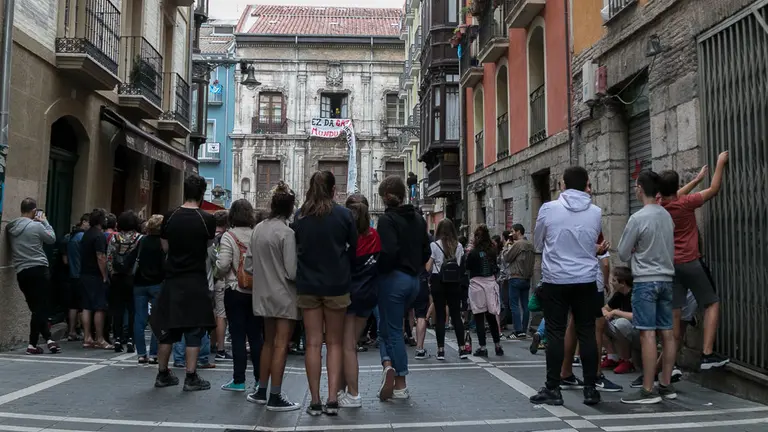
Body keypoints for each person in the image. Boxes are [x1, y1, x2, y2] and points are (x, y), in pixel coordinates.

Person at [530, 166, 602, 406]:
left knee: (555, 333)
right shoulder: (596, 212)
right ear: (586, 185)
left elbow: (538, 241)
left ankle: (553, 387)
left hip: (556, 279)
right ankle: (591, 389)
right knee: (587, 332)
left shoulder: (549, 209)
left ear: (563, 185)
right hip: (586, 280)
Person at [292, 171, 357, 416]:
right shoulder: (344, 215)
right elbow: (353, 251)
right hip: (337, 285)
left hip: (308, 285)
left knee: (312, 343)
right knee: (335, 343)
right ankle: (332, 399)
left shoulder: (300, 216)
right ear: (333, 190)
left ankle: (315, 400)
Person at [658, 151, 730, 370]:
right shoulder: (686, 204)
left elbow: (675, 194)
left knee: (676, 316)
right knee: (711, 302)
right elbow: (714, 189)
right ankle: (707, 354)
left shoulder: (660, 208)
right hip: (691, 261)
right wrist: (720, 164)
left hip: (672, 267)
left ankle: (669, 367)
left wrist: (696, 180)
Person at [151, 174, 217, 392]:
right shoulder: (206, 219)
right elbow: (208, 245)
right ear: (201, 194)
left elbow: (165, 247)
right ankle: (191, 376)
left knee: (167, 330)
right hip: (195, 280)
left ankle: (162, 373)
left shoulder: (170, 216)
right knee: (194, 330)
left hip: (172, 279)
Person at [618, 170, 677, 404]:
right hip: (667, 279)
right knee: (668, 333)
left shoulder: (638, 218)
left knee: (647, 334)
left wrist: (636, 251)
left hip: (645, 281)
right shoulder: (666, 216)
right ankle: (666, 384)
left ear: (640, 189)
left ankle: (647, 389)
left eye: (635, 186)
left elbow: (623, 252)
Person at [375, 175, 430, 402]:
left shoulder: (387, 220)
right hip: (414, 281)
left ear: (386, 198)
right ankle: (388, 365)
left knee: (393, 330)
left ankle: (400, 382)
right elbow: (426, 252)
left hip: (393, 279)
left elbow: (388, 252)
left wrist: (379, 269)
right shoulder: (418, 219)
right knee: (389, 329)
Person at [247, 182, 301, 411]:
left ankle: (261, 389)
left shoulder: (258, 228)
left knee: (267, 343)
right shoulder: (287, 233)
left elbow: (249, 265)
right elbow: (291, 271)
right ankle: (276, 395)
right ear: (290, 208)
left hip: (262, 293)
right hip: (284, 295)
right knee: (281, 344)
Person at [338, 193, 381, 408]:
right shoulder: (374, 235)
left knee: (346, 346)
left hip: (348, 295)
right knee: (351, 344)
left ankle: (353, 394)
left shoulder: (346, 237)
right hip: (368, 295)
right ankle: (342, 391)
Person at [216, 199, 263, 392]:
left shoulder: (229, 236)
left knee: (237, 336)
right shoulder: (257, 235)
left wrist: (220, 273)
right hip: (256, 291)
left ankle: (239, 380)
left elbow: (223, 264)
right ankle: (260, 379)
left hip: (234, 290)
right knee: (256, 336)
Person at [6, 198, 61, 354]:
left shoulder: (11, 227)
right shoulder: (36, 226)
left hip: (22, 271)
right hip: (39, 269)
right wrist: (44, 221)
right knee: (40, 308)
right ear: (33, 210)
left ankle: (49, 339)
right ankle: (32, 344)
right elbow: (51, 238)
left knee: (36, 309)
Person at [425, 218, 469, 360]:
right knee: (456, 315)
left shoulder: (434, 246)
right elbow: (461, 266)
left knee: (440, 315)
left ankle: (441, 350)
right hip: (454, 282)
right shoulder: (459, 246)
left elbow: (428, 267)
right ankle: (462, 349)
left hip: (438, 281)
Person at [107, 210, 143, 353]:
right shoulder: (139, 239)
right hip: (132, 278)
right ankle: (130, 339)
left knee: (117, 309)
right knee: (132, 309)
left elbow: (109, 256)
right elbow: (140, 259)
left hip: (117, 278)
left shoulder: (114, 238)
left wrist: (112, 273)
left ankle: (117, 338)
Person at [466, 225, 503, 357]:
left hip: (476, 285)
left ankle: (483, 347)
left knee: (479, 317)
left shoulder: (473, 252)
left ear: (476, 237)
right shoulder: (493, 250)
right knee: (492, 316)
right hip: (491, 283)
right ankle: (498, 346)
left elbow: (467, 266)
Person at [133, 214, 165, 364]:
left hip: (139, 283)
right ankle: (153, 354)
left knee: (140, 318)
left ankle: (140, 353)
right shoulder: (163, 243)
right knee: (157, 319)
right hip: (157, 283)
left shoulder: (141, 241)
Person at [79, 208, 113, 350]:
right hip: (95, 275)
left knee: (86, 306)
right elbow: (101, 257)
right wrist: (105, 275)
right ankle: (99, 338)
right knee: (99, 307)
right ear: (102, 220)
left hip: (84, 273)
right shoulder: (99, 236)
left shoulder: (86, 235)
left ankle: (87, 337)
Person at [503, 224, 535, 339]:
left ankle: (518, 330)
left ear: (518, 231)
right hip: (526, 278)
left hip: (516, 276)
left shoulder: (518, 244)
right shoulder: (530, 245)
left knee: (514, 305)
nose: (511, 234)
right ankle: (524, 328)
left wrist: (506, 247)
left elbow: (507, 258)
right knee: (525, 304)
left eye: (513, 231)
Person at [211, 210, 233, 362]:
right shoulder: (225, 238)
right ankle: (220, 349)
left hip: (208, 279)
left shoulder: (209, 237)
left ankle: (212, 343)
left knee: (213, 311)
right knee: (221, 314)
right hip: (221, 279)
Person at [64, 213, 90, 341]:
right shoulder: (83, 238)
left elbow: (65, 259)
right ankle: (86, 334)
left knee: (73, 305)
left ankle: (71, 331)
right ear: (84, 222)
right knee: (83, 306)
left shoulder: (69, 237)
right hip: (82, 274)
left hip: (72, 274)